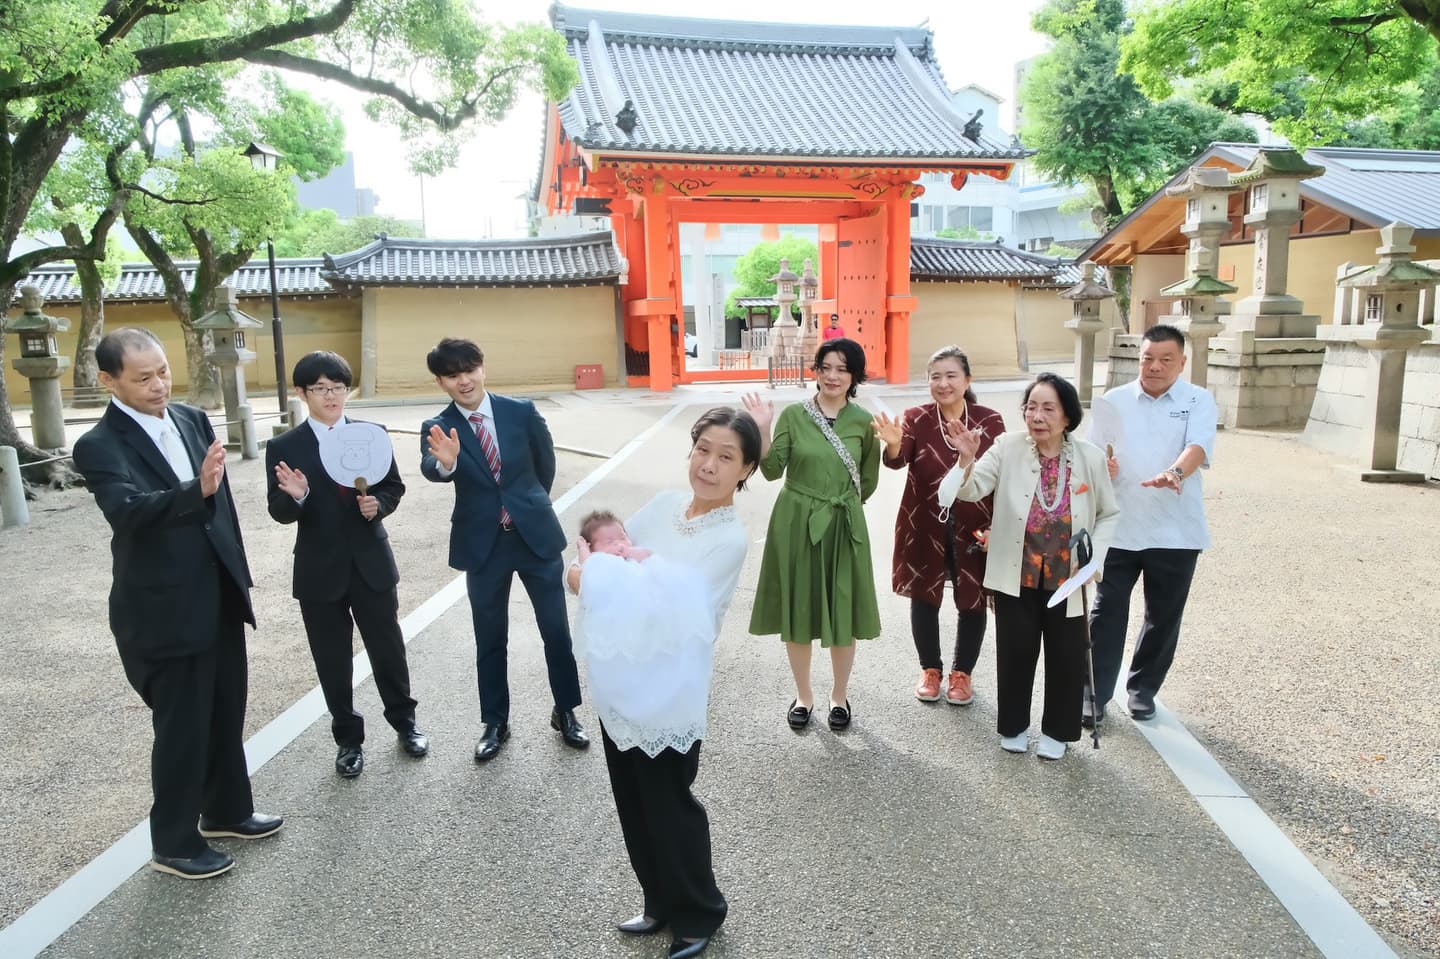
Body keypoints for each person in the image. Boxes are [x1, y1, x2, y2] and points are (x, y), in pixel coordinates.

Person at [72, 328, 281, 880]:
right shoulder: (100, 445)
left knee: (225, 708)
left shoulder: (191, 419)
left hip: (216, 593)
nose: (159, 384)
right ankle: (174, 842)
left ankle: (228, 810)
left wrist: (238, 574)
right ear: (108, 379)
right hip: (162, 608)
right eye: (143, 378)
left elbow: (224, 510)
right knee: (182, 726)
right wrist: (198, 492)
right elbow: (129, 512)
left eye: (163, 371)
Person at [567, 407, 762, 959]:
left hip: (668, 691)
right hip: (621, 684)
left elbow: (664, 604)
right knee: (632, 800)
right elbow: (604, 553)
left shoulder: (727, 540)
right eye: (704, 449)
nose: (709, 464)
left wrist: (593, 579)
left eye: (727, 457)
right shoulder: (659, 506)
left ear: (746, 469)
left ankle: (699, 912)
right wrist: (584, 571)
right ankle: (658, 899)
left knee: (670, 805)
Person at [420, 337, 587, 762]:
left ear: (482, 368)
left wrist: (526, 504)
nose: (464, 381)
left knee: (556, 631)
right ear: (441, 382)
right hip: (484, 546)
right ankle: (495, 721)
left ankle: (566, 710)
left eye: (469, 370)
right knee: (489, 639)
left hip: (534, 537)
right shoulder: (439, 427)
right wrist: (449, 462)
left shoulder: (521, 411)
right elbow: (433, 469)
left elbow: (544, 464)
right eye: (453, 375)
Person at [938, 373, 1119, 760]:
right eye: (1031, 407)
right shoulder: (1007, 447)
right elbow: (966, 491)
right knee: (1016, 651)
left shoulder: (1089, 458)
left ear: (1067, 416)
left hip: (1067, 576)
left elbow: (1108, 514)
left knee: (1066, 655)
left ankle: (1058, 730)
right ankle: (1014, 726)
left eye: (1048, 408)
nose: (1037, 416)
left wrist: (1093, 562)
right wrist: (965, 460)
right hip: (1015, 571)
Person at [266, 351, 428, 779]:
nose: (330, 396)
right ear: (302, 394)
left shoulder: (371, 434)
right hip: (319, 568)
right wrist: (297, 495)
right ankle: (348, 740)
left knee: (388, 648)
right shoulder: (285, 447)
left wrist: (381, 505)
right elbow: (279, 511)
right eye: (319, 389)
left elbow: (393, 485)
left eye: (337, 387)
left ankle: (405, 723)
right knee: (331, 659)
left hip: (371, 560)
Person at [1086, 324, 1218, 723]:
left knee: (1163, 615)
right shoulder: (1114, 400)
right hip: (1119, 527)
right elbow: (1093, 456)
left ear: (1181, 362)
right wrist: (1101, 468)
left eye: (1165, 360)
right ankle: (1093, 695)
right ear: (1137, 358)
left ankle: (1143, 689)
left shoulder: (1198, 399)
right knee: (1106, 612)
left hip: (1176, 529)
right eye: (1147, 358)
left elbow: (1197, 446)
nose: (1155, 366)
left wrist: (1175, 473)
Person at [747, 338, 881, 732]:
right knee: (800, 609)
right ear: (816, 371)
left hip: (843, 523)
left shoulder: (863, 422)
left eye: (842, 368)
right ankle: (803, 695)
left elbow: (867, 484)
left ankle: (839, 696)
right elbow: (772, 469)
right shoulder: (794, 415)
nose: (833, 375)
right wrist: (763, 428)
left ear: (854, 375)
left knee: (843, 610)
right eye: (826, 367)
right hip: (796, 521)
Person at [874, 346, 1006, 706]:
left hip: (976, 523)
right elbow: (898, 461)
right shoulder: (916, 417)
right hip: (923, 520)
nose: (943, 383)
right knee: (924, 594)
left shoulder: (990, 421)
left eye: (951, 375)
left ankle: (962, 674)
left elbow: (1003, 478)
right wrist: (894, 442)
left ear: (967, 380)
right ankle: (930, 669)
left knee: (973, 598)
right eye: (935, 376)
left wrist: (1000, 526)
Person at [577, 509, 653, 562]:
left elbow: (648, 555)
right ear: (591, 551)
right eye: (609, 542)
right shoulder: (598, 563)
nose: (619, 544)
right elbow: (586, 565)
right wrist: (583, 548)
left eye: (622, 538)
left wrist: (629, 552)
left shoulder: (632, 556)